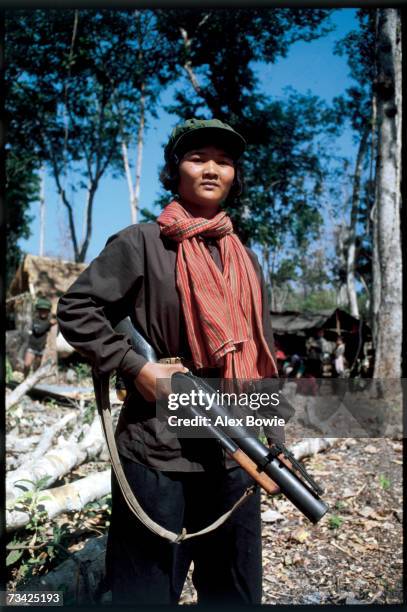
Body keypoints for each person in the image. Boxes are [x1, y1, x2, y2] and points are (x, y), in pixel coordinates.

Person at [57, 118, 285, 606]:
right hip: (156, 445)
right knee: (145, 591)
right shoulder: (141, 241)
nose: (211, 169)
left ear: (234, 177)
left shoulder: (245, 258)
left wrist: (276, 442)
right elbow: (77, 309)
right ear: (175, 170)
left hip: (233, 446)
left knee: (235, 592)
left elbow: (260, 348)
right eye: (198, 157)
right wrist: (134, 366)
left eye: (223, 162)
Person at [23, 297, 56, 377]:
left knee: (36, 368)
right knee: (27, 365)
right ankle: (24, 379)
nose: (43, 312)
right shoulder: (35, 320)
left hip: (40, 348)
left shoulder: (49, 322)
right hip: (31, 347)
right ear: (38, 310)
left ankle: (31, 385)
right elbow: (38, 330)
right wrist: (49, 324)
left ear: (48, 311)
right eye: (41, 310)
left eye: (45, 310)